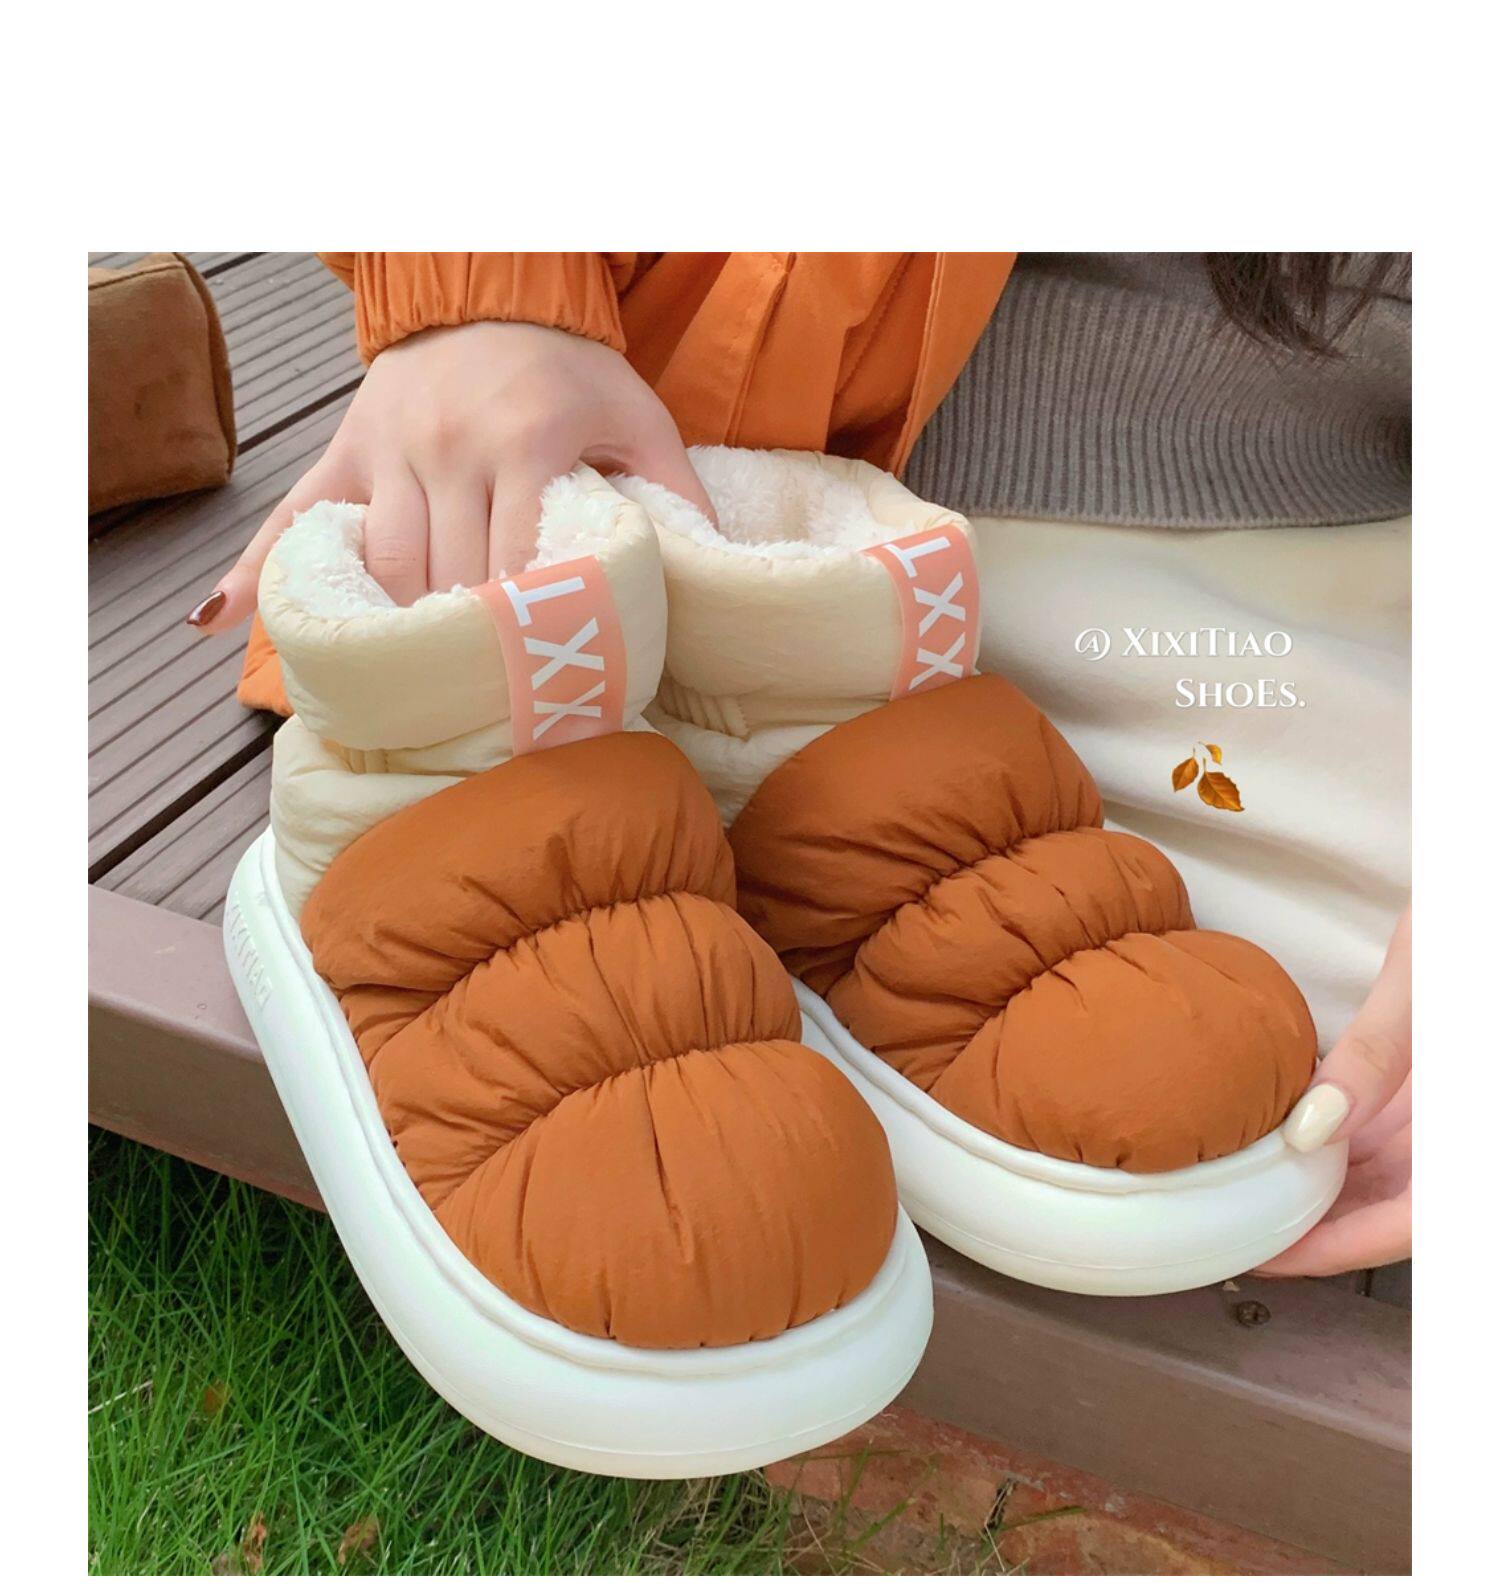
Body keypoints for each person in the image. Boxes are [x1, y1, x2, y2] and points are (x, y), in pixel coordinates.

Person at [190, 251, 1411, 1277]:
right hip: (638, 416)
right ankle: (422, 752)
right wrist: (481, 290)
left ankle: (740, 761)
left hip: (1326, 516)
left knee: (1324, 1051)